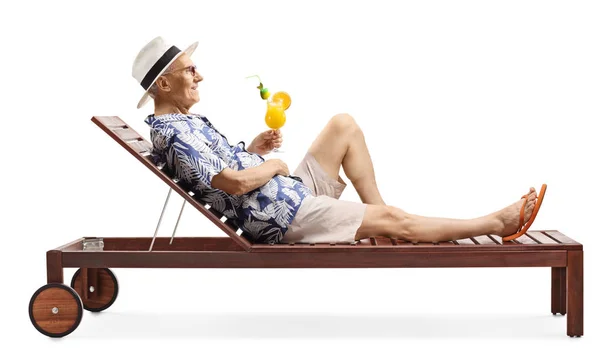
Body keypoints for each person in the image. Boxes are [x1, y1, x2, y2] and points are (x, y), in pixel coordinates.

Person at [132, 36, 544, 245]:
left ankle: (381, 216)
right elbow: (234, 184)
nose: (199, 75)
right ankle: (495, 222)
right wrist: (273, 165)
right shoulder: (171, 133)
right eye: (190, 70)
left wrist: (253, 150)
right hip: (277, 216)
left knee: (342, 125)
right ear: (164, 83)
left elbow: (225, 170)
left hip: (284, 195)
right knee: (397, 219)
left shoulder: (187, 122)